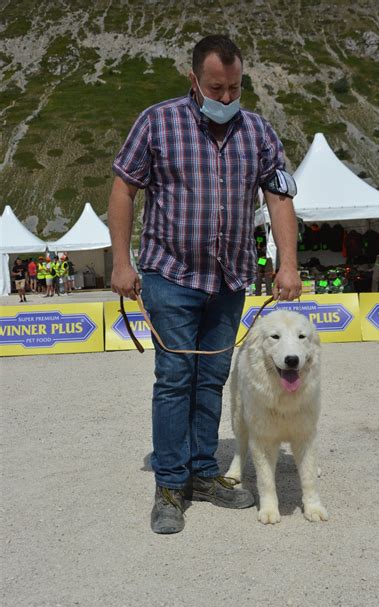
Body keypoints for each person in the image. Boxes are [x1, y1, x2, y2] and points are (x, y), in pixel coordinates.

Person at [108, 35, 301, 535]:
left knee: (212, 378)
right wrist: (122, 262)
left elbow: (279, 198)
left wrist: (288, 263)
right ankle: (170, 485)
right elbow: (123, 188)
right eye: (216, 87)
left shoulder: (258, 131)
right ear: (193, 79)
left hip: (230, 278)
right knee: (175, 379)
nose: (226, 98)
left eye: (235, 87)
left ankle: (201, 472)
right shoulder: (157, 122)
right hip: (169, 275)